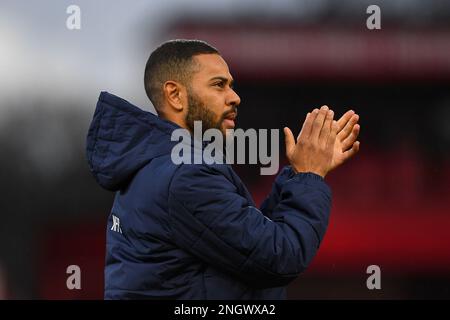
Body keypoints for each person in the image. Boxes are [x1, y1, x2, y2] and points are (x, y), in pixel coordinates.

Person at [86, 39, 360, 299]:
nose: (235, 97)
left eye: (231, 85)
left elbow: (247, 244)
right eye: (219, 85)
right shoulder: (186, 176)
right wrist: (310, 177)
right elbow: (279, 256)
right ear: (175, 95)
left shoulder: (162, 166)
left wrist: (299, 174)